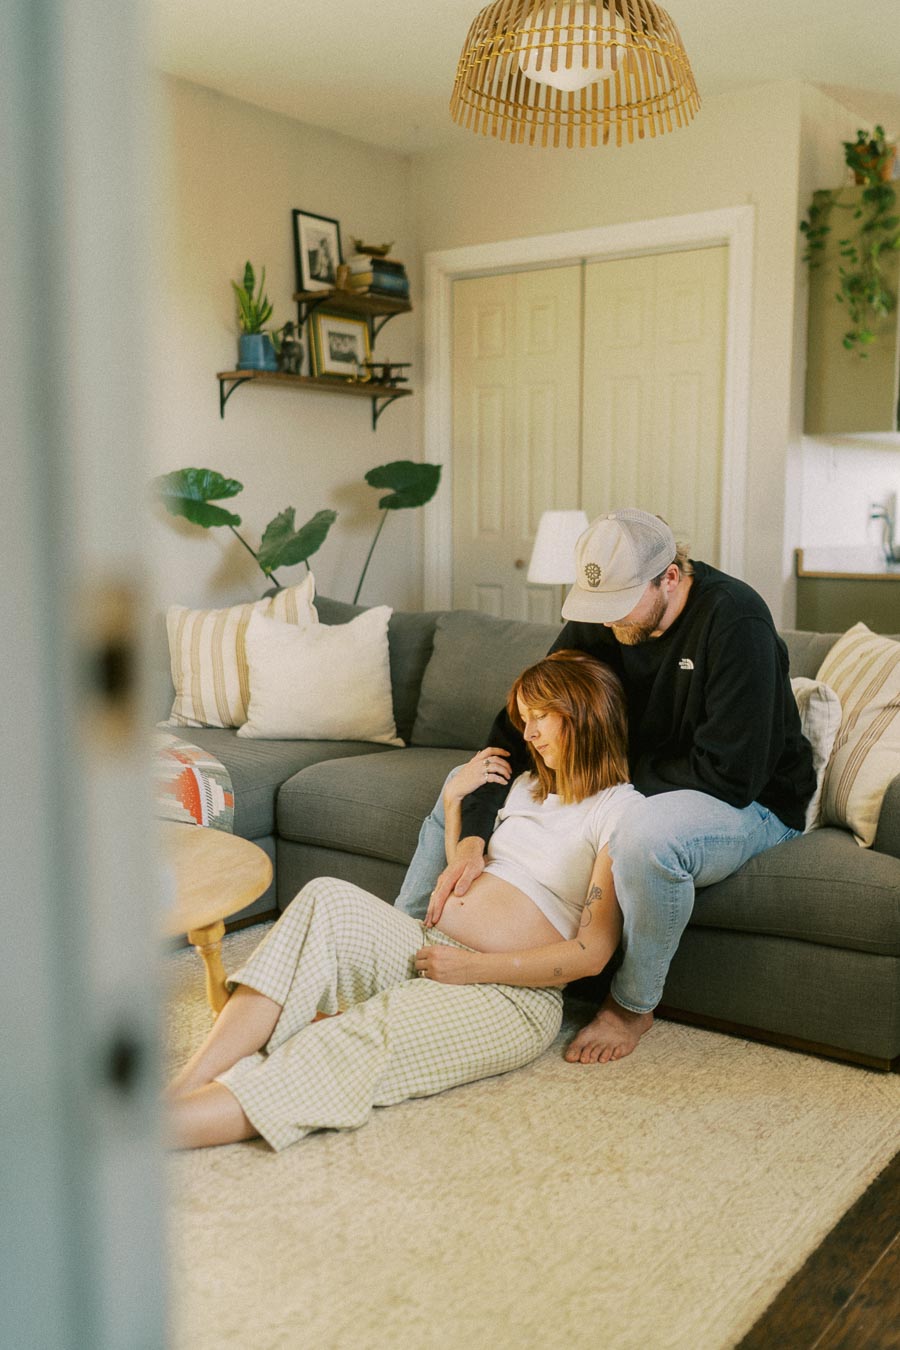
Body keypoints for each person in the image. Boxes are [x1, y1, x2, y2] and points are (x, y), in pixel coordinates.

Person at [168, 651, 641, 1152]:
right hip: (430, 947)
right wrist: (455, 801)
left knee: (348, 1044)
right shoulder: (524, 787)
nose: (527, 735)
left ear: (585, 712)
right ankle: (181, 1087)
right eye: (524, 720)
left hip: (507, 995)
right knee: (326, 898)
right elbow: (465, 875)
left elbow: (592, 953)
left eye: (540, 717)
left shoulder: (618, 811)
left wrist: (472, 968)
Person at [396, 509, 816, 1065]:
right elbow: (514, 732)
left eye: (620, 605)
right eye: (598, 607)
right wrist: (471, 835)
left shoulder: (736, 621)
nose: (607, 622)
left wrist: (597, 775)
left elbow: (730, 775)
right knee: (464, 779)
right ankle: (399, 936)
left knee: (645, 836)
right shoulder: (604, 613)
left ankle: (631, 1007)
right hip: (650, 776)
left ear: (669, 577)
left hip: (754, 802)